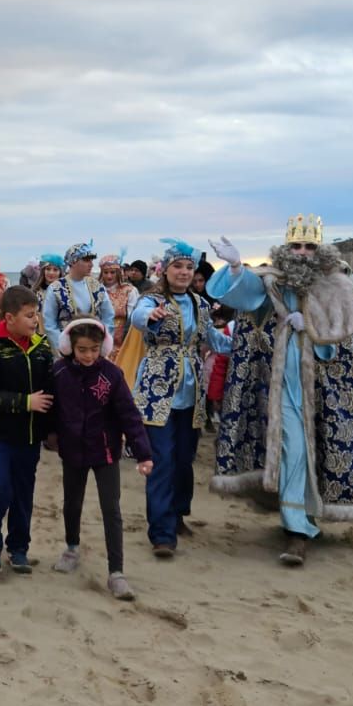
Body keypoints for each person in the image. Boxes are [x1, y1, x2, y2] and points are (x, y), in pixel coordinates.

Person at [207, 217, 353, 567]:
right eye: (296, 246)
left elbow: (346, 339)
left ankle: (308, 516)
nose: (302, 253)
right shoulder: (272, 282)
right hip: (282, 387)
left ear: (320, 249)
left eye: (309, 246)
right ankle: (295, 529)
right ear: (285, 249)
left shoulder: (337, 286)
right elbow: (245, 298)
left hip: (323, 390)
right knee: (293, 449)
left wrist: (314, 329)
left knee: (318, 452)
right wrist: (236, 266)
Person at [131, 239, 231, 557]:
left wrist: (245, 339)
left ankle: (177, 515)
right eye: (178, 266)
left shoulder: (201, 305)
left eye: (189, 267)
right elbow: (138, 317)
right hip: (158, 391)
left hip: (191, 393)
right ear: (165, 270)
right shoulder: (152, 299)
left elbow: (213, 338)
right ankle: (161, 533)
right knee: (160, 462)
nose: (184, 272)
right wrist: (151, 316)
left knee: (184, 462)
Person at [46, 318, 153, 600]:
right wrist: (50, 436)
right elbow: (50, 410)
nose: (89, 355)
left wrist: (143, 453)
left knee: (111, 509)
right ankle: (72, 548)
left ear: (102, 347)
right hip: (72, 450)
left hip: (105, 451)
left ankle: (116, 571)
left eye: (94, 349)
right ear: (70, 347)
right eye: (82, 349)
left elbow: (129, 415)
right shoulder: (59, 373)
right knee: (72, 502)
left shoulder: (112, 375)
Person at [0, 285, 54, 575]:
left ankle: (19, 548)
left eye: (37, 315)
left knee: (23, 492)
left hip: (30, 435)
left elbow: (51, 390)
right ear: (9, 317)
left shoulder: (42, 347)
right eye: (29, 315)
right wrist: (25, 402)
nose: (35, 321)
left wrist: (53, 429)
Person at [43, 240, 115, 343]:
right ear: (73, 261)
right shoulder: (56, 288)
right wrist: (62, 348)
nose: (91, 264)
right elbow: (50, 324)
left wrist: (104, 343)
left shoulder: (97, 287)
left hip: (94, 348)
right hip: (67, 349)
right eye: (86, 260)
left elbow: (108, 318)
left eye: (91, 260)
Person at [96, 252, 140, 349]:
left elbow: (132, 317)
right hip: (99, 337)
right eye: (106, 272)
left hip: (122, 338)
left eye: (112, 272)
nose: (109, 276)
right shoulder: (96, 290)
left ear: (118, 273)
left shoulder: (129, 290)